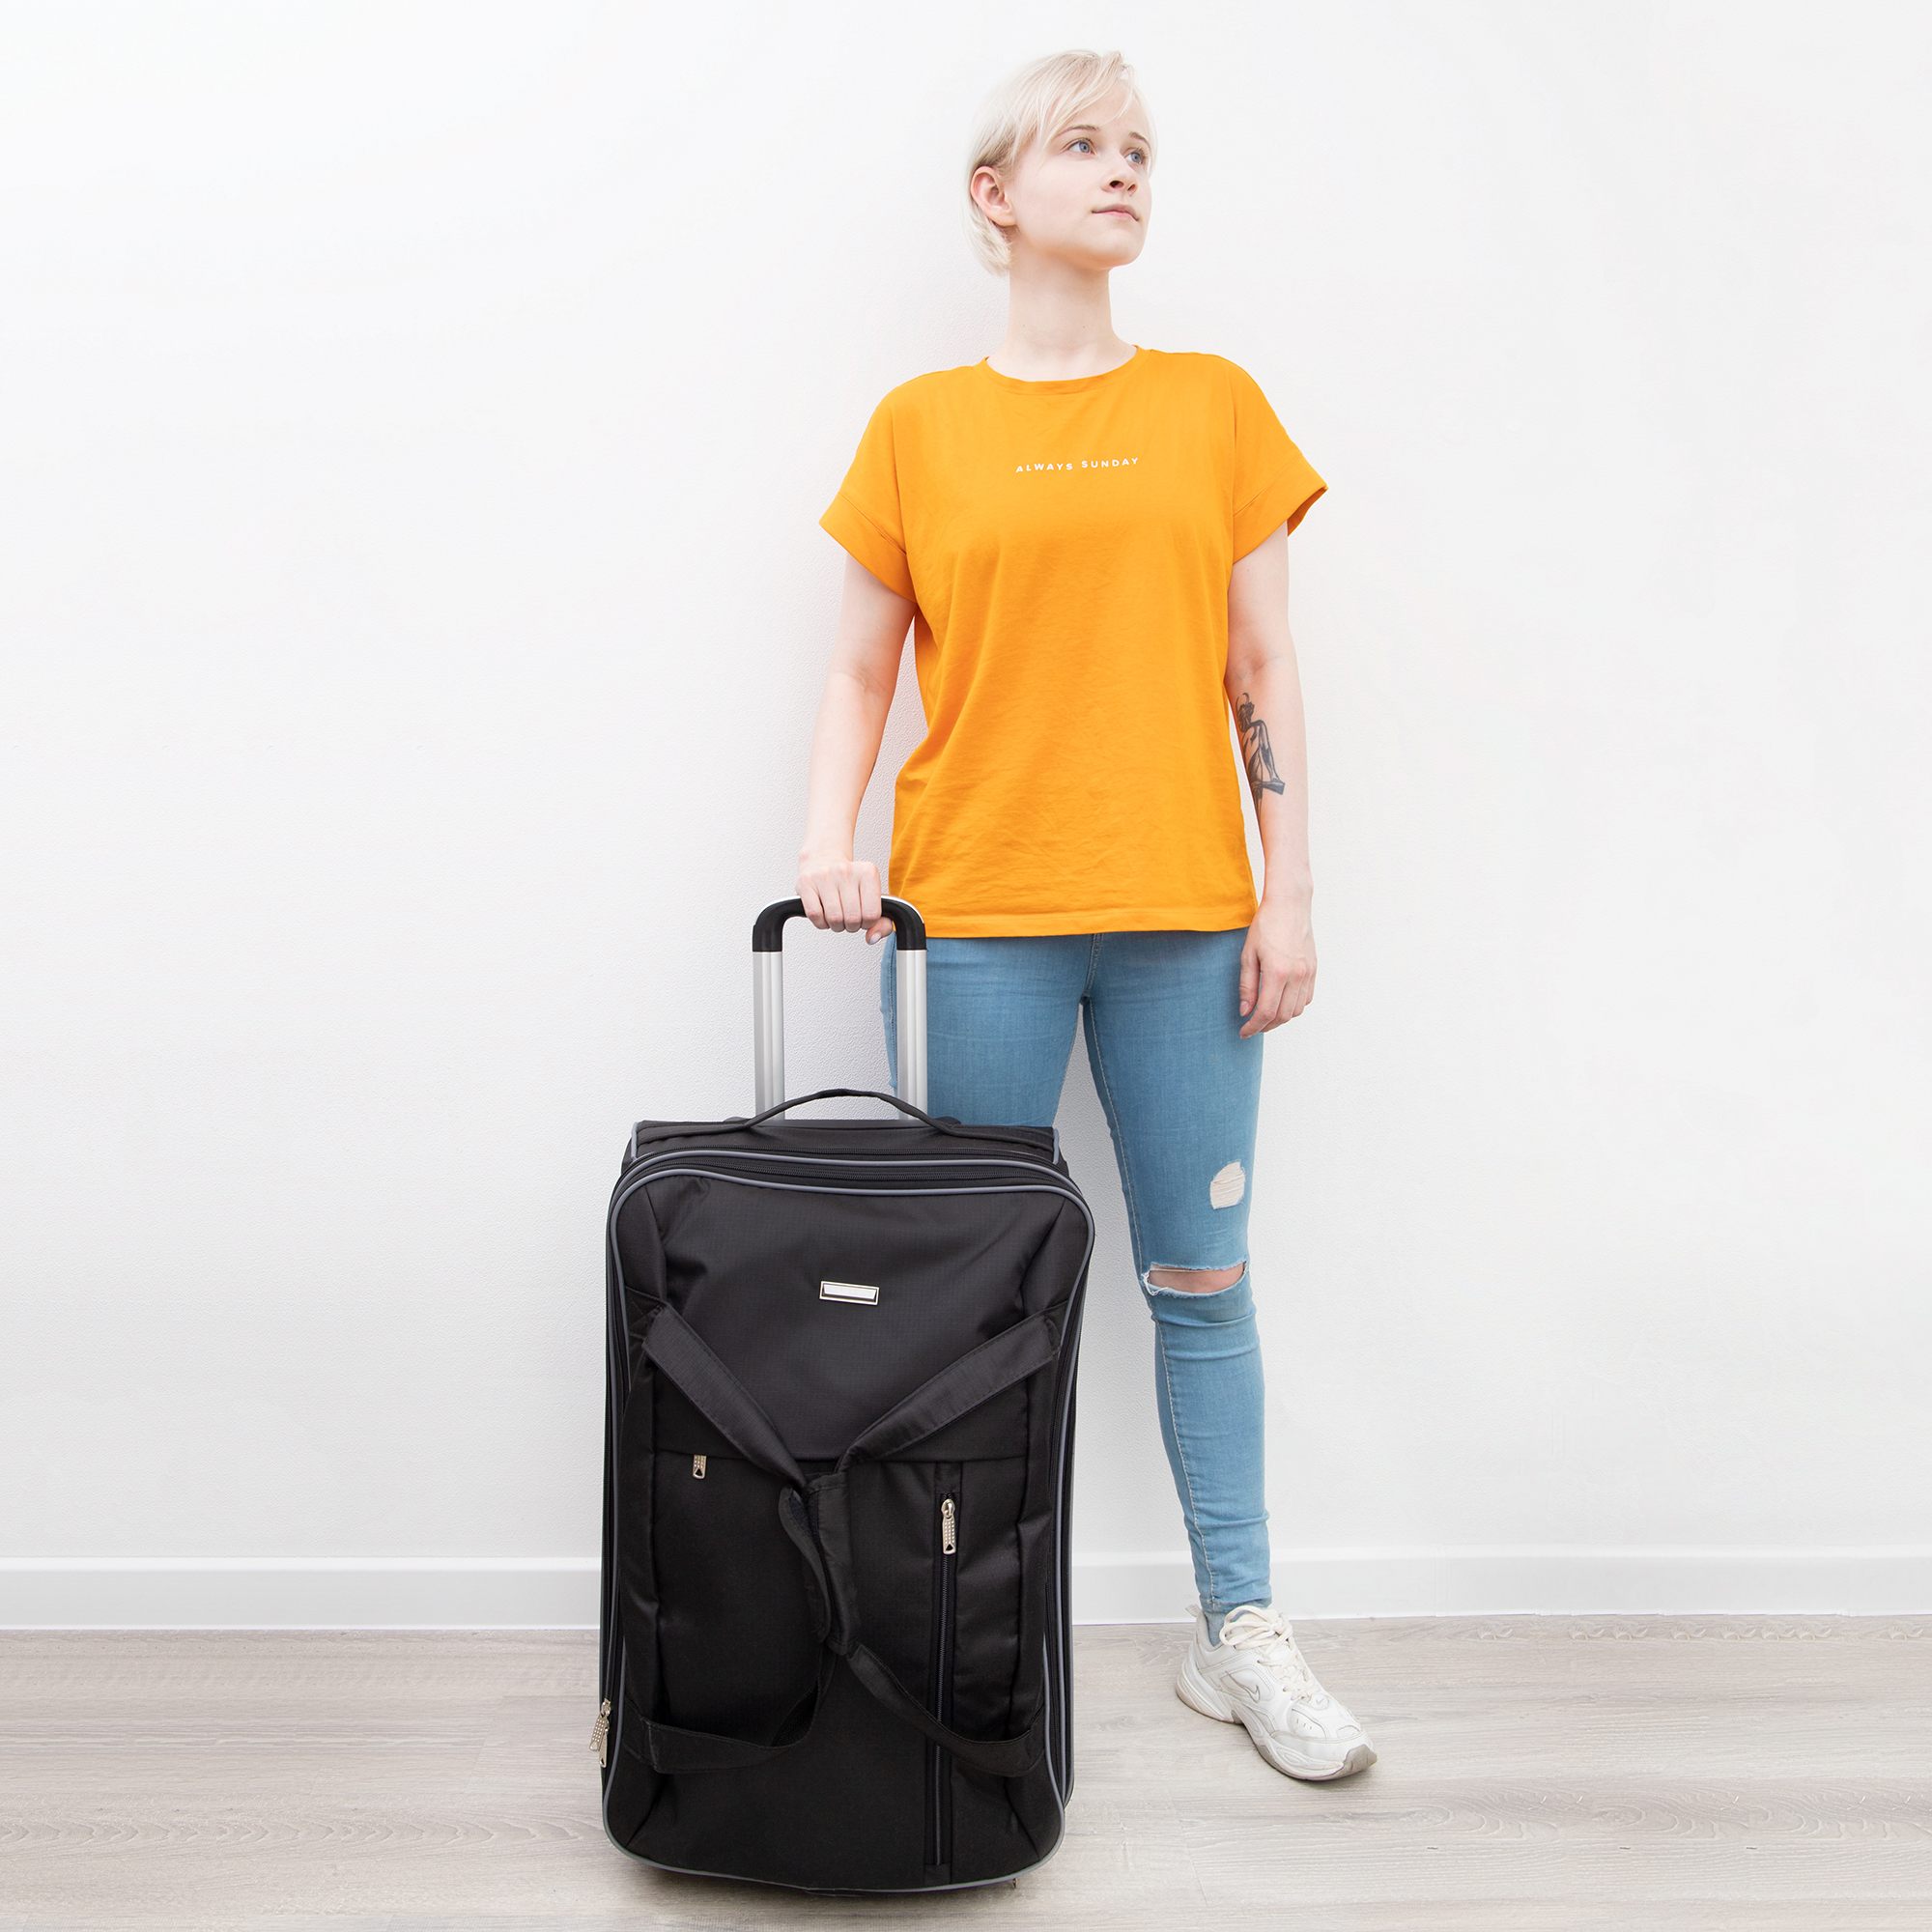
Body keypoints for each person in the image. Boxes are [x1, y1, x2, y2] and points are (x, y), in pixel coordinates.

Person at [797, 47, 1376, 1782]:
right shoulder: (920, 426)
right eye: (1083, 145)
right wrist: (827, 841)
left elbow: (1262, 665)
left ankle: (1241, 1633)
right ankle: (962, 1641)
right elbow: (859, 668)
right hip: (976, 918)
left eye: (1139, 149)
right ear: (998, 194)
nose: (1124, 170)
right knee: (972, 1298)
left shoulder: (1214, 407)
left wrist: (1288, 890)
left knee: (1201, 1279)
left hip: (1188, 924)